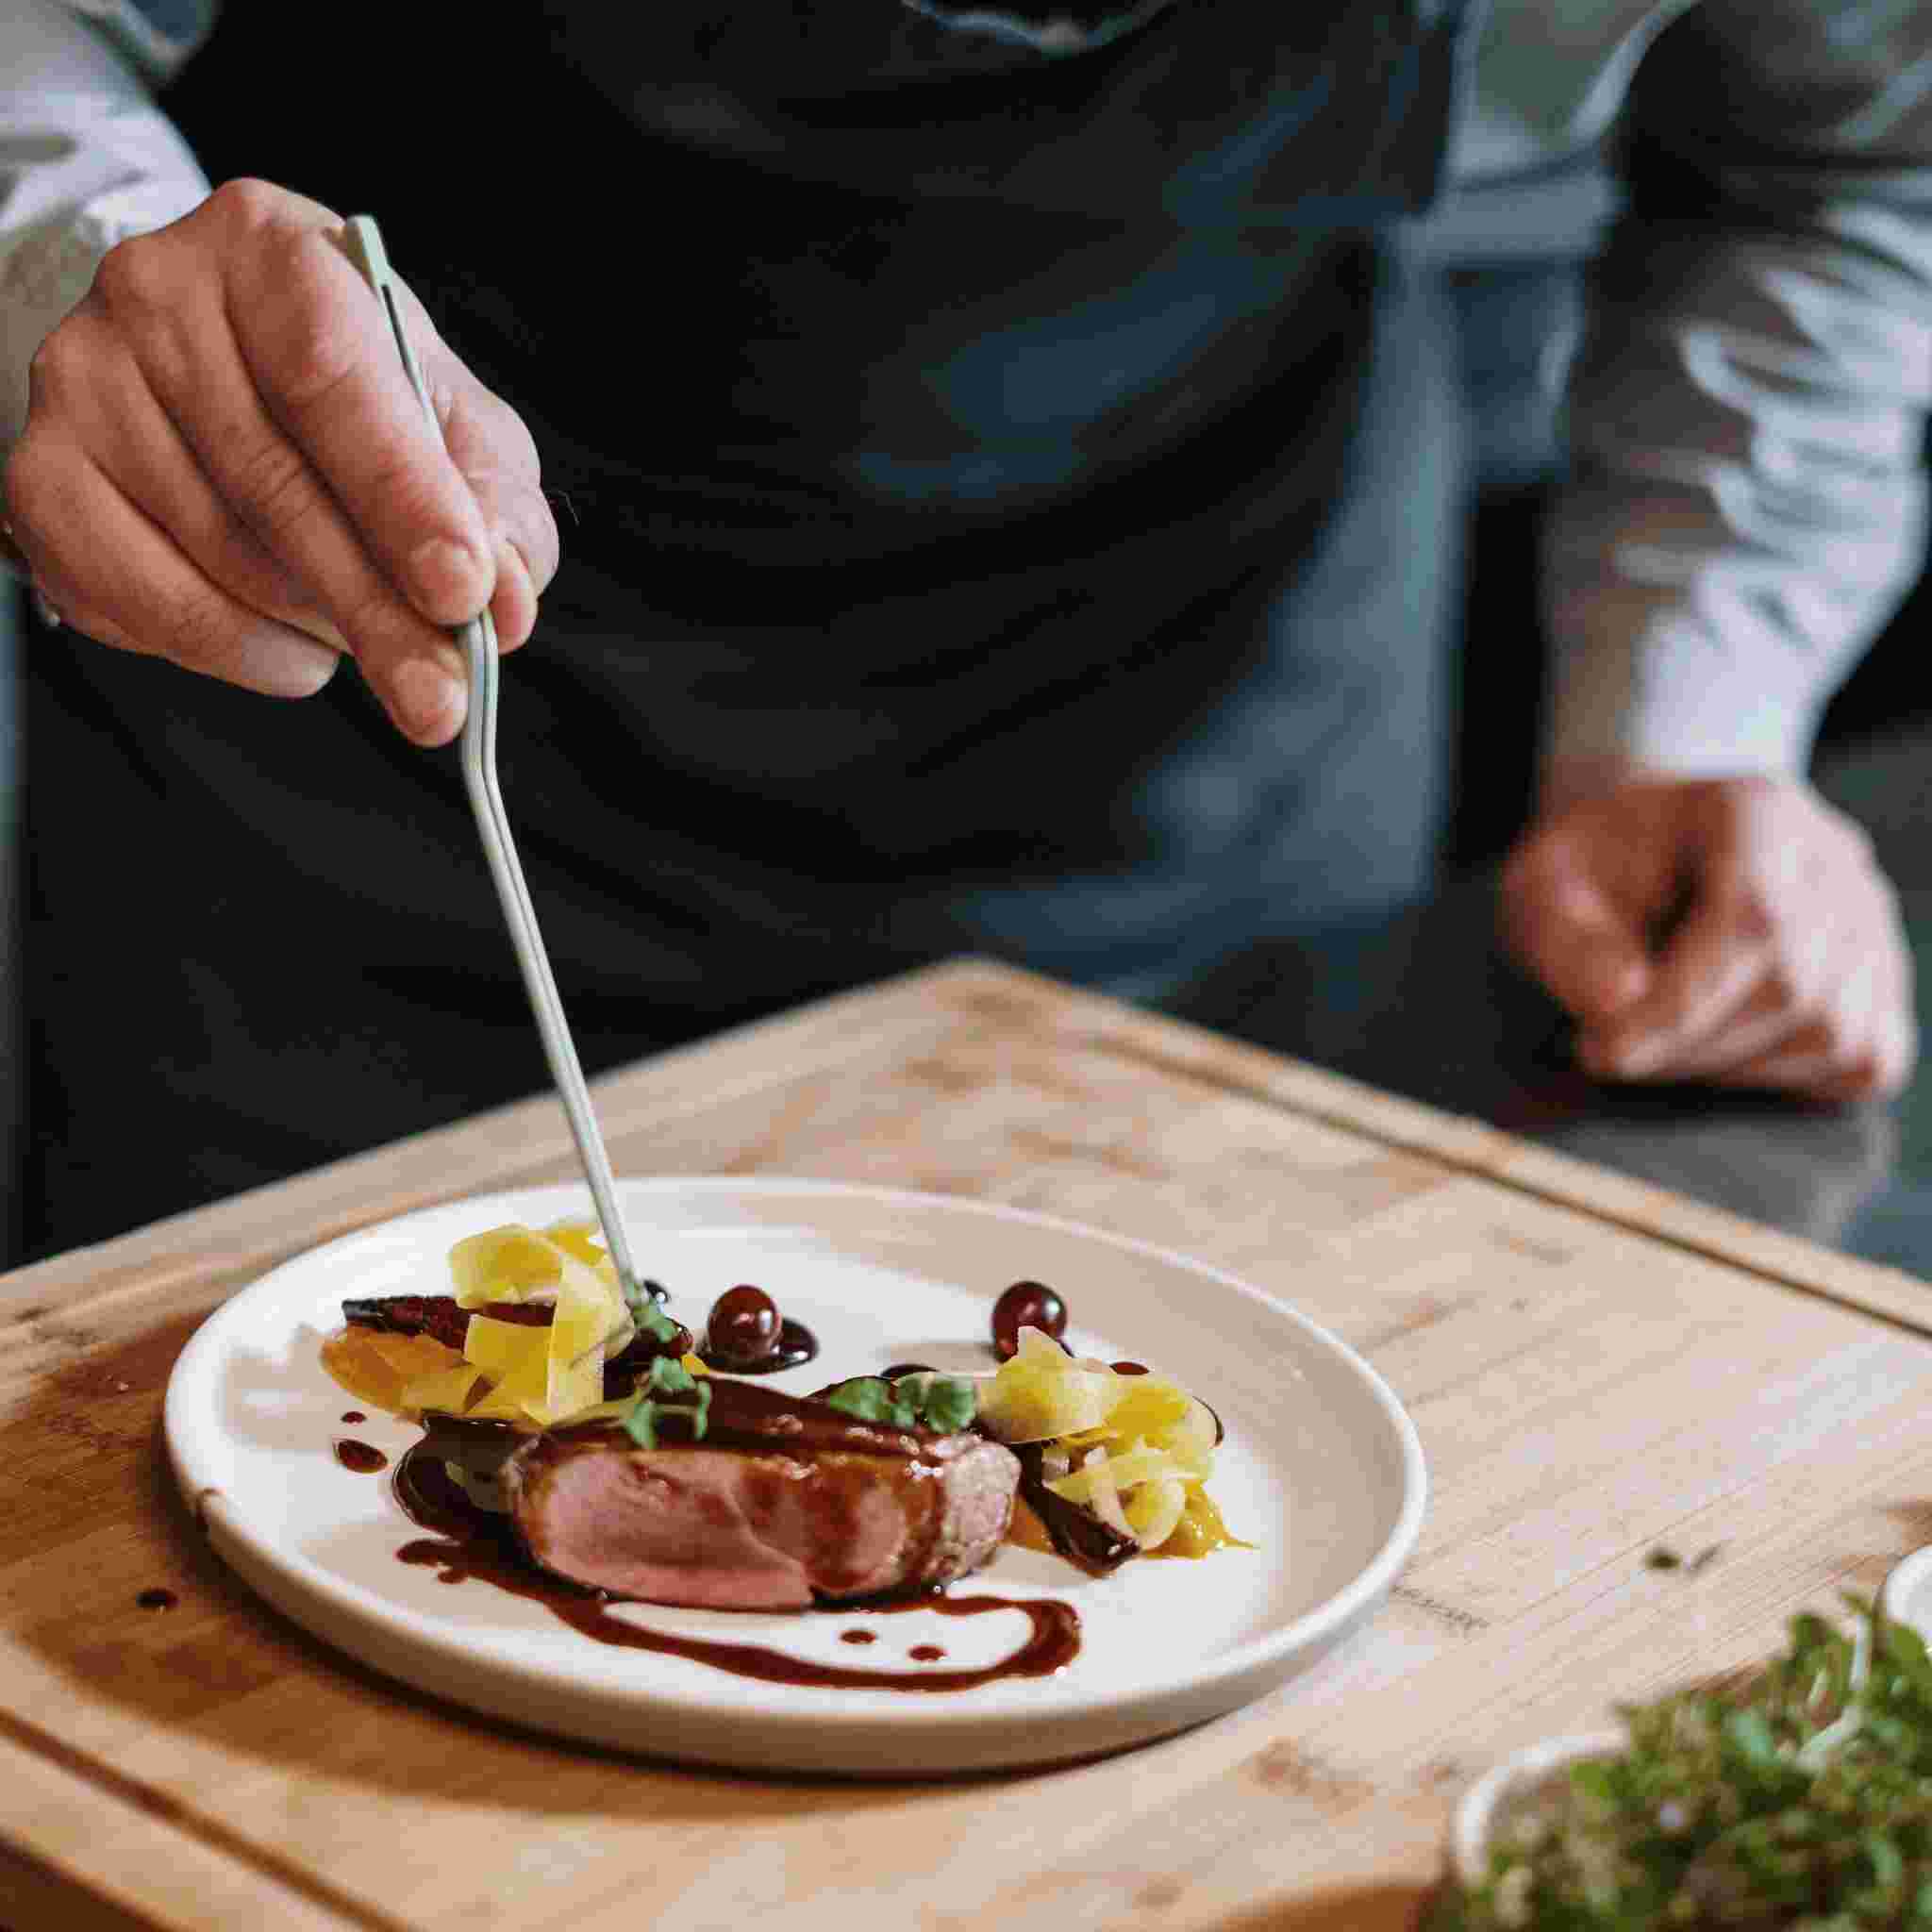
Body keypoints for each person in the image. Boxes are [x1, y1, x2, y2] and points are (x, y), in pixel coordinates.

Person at [0, 0, 1921, 1255]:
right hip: (348, 795)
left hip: (1209, 753)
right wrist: (60, 258)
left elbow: (1834, 155)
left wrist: (1688, 711)